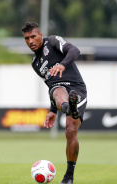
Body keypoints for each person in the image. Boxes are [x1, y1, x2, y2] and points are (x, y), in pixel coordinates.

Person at [22, 22, 87, 184]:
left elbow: (74, 51)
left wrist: (62, 64)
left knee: (71, 131)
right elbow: (50, 85)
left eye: (33, 37)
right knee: (57, 89)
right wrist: (53, 110)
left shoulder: (52, 41)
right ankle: (67, 107)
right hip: (59, 92)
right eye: (27, 38)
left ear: (41, 35)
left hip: (77, 89)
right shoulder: (35, 64)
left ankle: (69, 175)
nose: (30, 41)